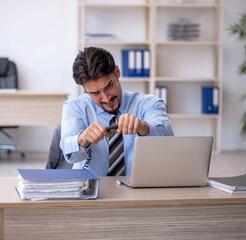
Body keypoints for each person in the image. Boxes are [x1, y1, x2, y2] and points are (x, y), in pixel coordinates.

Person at [60, 47, 173, 176]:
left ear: (117, 72)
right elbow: (69, 153)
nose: (106, 98)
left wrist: (143, 127)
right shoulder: (74, 107)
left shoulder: (149, 103)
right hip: (93, 189)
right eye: (94, 93)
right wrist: (83, 139)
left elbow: (168, 140)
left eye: (109, 86)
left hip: (140, 189)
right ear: (85, 89)